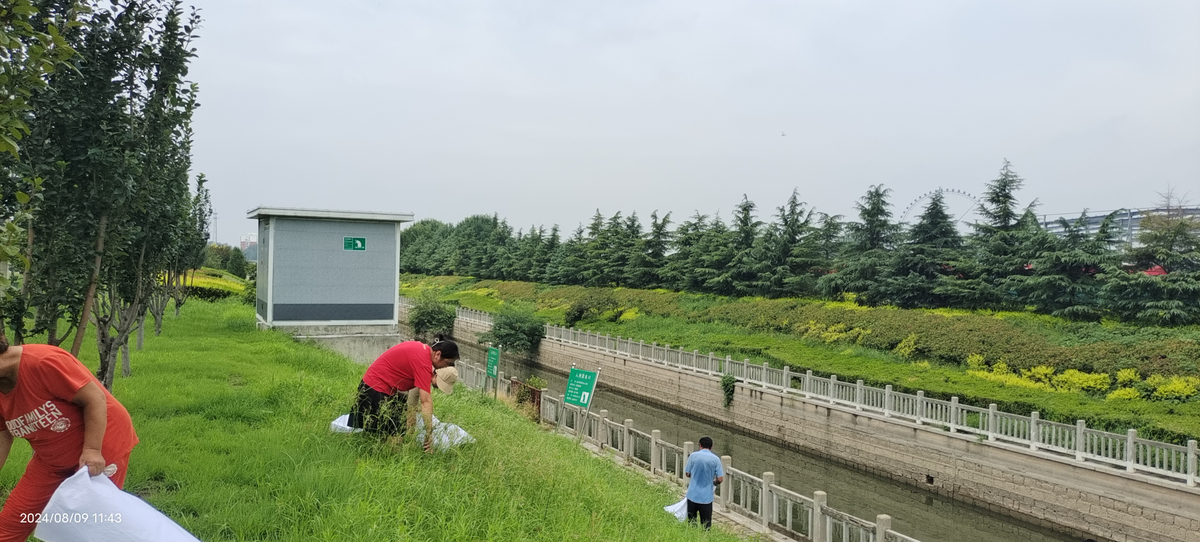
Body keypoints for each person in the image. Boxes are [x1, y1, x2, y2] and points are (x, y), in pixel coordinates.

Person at [0, 341, 139, 542]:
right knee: (12, 521)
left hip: (101, 444)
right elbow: (3, 434)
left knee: (88, 526)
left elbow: (94, 398)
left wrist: (92, 450)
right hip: (51, 459)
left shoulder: (43, 362)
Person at [348, 338, 458, 452]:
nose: (446, 367)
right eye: (447, 363)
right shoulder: (424, 363)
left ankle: (376, 457)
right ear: (438, 354)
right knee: (392, 436)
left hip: (383, 387)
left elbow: (412, 402)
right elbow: (426, 402)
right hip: (377, 387)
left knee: (390, 432)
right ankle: (378, 458)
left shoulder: (422, 350)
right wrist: (429, 435)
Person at [683, 436, 724, 530]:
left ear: (699, 445)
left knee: (691, 522)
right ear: (711, 447)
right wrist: (714, 482)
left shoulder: (693, 456)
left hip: (692, 495)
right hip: (706, 497)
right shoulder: (716, 459)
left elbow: (687, 473)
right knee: (706, 525)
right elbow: (720, 479)